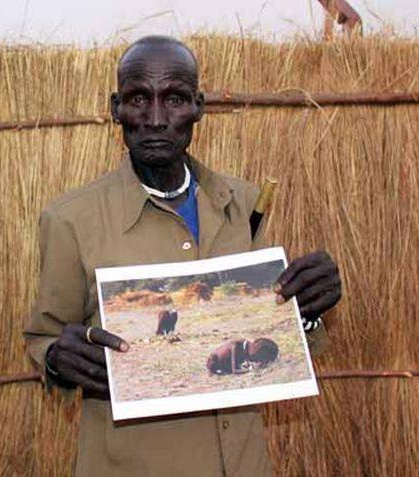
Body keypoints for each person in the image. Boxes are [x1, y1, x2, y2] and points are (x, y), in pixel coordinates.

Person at [24, 35, 341, 477]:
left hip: (244, 463)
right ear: (116, 108)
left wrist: (308, 311)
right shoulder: (70, 221)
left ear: (199, 106)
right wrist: (59, 359)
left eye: (173, 98)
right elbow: (43, 340)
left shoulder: (244, 206)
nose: (155, 118)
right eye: (138, 99)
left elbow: (271, 330)